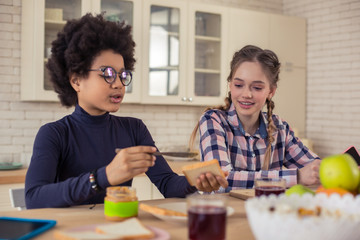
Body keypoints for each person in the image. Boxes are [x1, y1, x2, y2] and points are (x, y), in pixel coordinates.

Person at [25, 13, 228, 209]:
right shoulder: (54, 134)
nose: (119, 84)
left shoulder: (134, 129)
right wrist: (103, 177)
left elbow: (167, 183)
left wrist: (195, 182)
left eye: (123, 75)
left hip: (122, 226)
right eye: (108, 73)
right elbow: (34, 198)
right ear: (76, 80)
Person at [190, 45, 321, 192]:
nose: (246, 94)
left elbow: (314, 168)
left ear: (271, 91)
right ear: (230, 86)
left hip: (268, 213)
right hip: (225, 213)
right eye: (239, 85)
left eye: (257, 88)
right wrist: (296, 177)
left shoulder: (280, 128)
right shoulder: (213, 120)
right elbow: (222, 180)